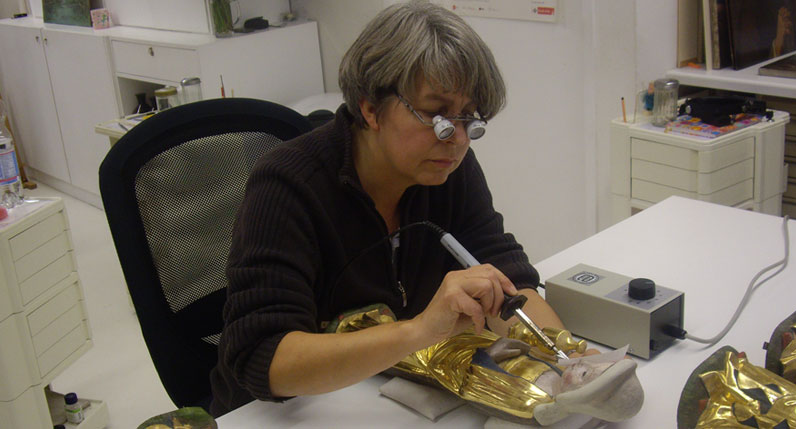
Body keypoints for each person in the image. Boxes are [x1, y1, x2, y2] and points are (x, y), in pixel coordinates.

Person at [210, 1, 574, 417]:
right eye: (437, 115)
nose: (456, 140)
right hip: (284, 412)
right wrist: (420, 331)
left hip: (384, 387)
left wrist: (570, 362)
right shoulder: (287, 185)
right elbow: (265, 357)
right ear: (370, 108)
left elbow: (508, 278)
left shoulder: (448, 170)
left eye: (468, 117)